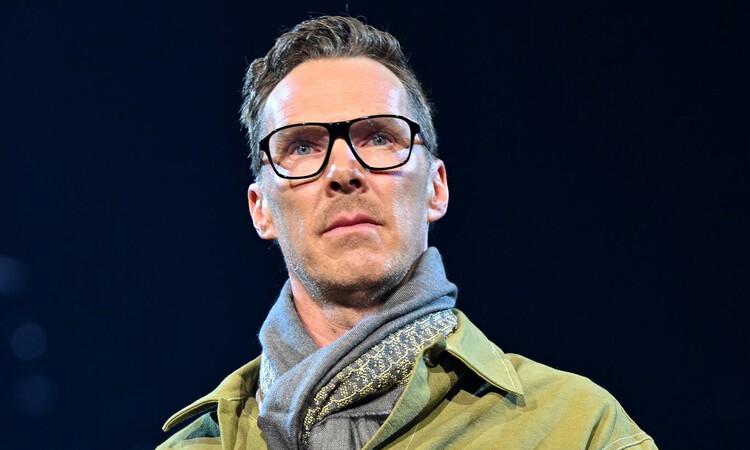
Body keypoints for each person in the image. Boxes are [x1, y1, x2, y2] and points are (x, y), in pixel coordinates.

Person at [157, 15, 656, 449]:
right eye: (303, 147)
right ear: (260, 209)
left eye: (379, 137)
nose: (344, 171)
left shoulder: (579, 429)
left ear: (436, 188)